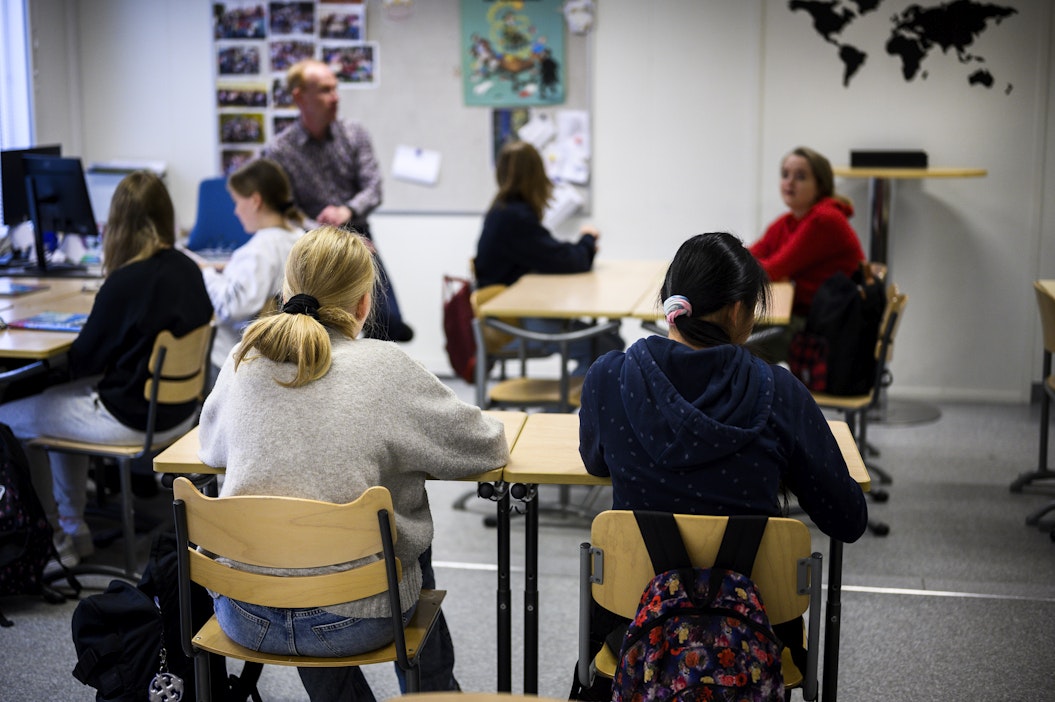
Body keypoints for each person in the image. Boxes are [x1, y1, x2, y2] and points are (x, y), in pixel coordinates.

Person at [198, 225, 509, 702]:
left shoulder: (244, 357)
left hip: (245, 612)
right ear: (364, 305)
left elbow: (211, 449)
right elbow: (485, 448)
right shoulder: (386, 366)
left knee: (311, 538)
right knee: (401, 531)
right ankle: (435, 694)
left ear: (286, 290)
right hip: (354, 621)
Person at [575, 232, 868, 697]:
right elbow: (847, 519)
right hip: (757, 630)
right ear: (737, 311)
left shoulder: (610, 377)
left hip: (633, 624)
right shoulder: (779, 393)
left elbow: (594, 462)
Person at [0, 172, 213, 567]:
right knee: (57, 405)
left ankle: (54, 536)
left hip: (129, 418)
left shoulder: (124, 282)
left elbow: (82, 361)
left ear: (117, 224)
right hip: (179, 414)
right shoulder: (187, 268)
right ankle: (72, 526)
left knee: (8, 418)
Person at [264, 58, 413, 343]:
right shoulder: (280, 150)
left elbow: (373, 187)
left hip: (359, 236)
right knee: (316, 320)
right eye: (324, 90)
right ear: (299, 97)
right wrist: (322, 230)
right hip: (309, 245)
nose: (335, 97)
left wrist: (346, 210)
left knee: (389, 321)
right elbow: (285, 208)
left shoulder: (354, 134)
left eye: (335, 88)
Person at [474, 140, 623, 375]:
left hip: (513, 312)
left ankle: (565, 407)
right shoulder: (515, 218)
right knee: (606, 349)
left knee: (609, 342)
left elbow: (550, 253)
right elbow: (569, 261)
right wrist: (587, 238)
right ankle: (557, 411)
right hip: (513, 321)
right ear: (536, 175)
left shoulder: (503, 211)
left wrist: (579, 246)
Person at [198, 157, 305, 382]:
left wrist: (207, 272)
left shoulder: (260, 250)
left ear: (256, 201)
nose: (236, 211)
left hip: (234, 362)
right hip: (278, 357)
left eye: (238, 202)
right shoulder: (297, 237)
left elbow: (231, 306)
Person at [750, 146, 866, 319]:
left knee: (729, 332)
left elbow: (772, 270)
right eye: (785, 174)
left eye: (800, 176)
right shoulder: (789, 220)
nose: (789, 182)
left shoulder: (824, 220)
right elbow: (750, 255)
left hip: (827, 326)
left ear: (820, 186)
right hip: (812, 315)